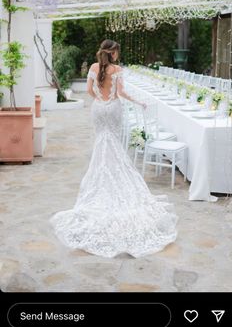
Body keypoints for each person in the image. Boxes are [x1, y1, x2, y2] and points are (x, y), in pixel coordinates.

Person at [50, 39, 178, 257]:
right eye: (117, 51)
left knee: (102, 142)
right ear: (113, 52)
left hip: (99, 110)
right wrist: (138, 102)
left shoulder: (93, 67)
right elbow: (121, 93)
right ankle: (114, 174)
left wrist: (101, 100)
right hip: (114, 110)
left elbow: (90, 90)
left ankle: (101, 174)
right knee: (114, 144)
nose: (118, 55)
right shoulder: (117, 70)